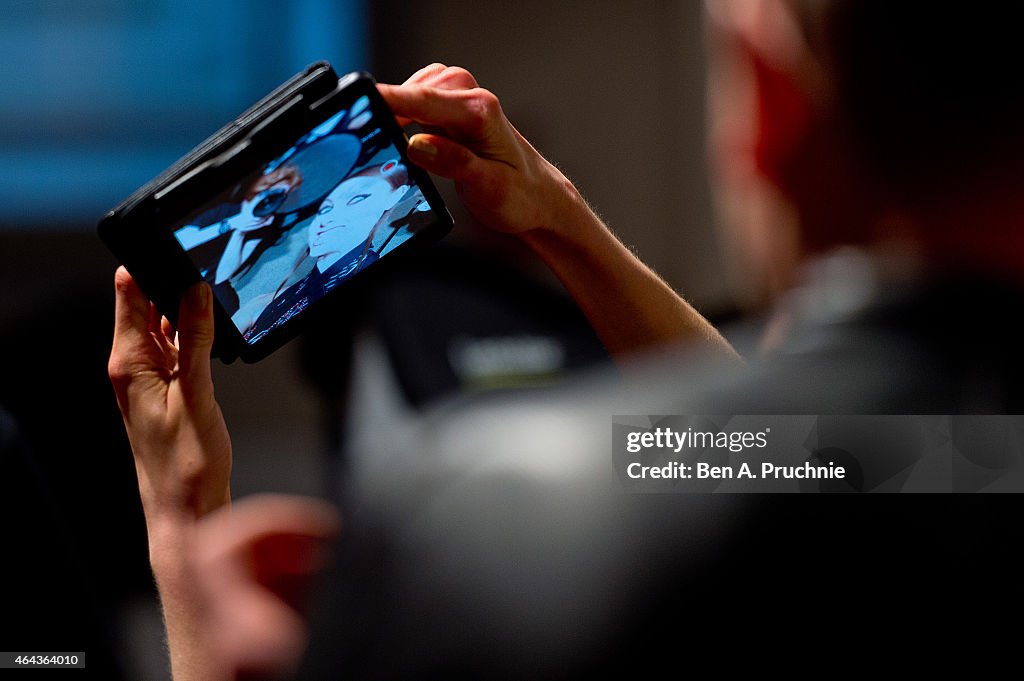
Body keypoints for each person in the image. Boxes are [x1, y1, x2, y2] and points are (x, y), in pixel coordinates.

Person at [108, 1, 1024, 678]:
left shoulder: (481, 520)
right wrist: (561, 220)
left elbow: (762, 462)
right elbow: (786, 455)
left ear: (771, 105)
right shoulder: (973, 454)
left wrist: (184, 531)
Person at [240, 161, 419, 342]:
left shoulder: (375, 287)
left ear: (396, 196)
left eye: (356, 199)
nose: (327, 218)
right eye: (326, 209)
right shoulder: (263, 301)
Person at [174, 164, 304, 317]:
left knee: (228, 307)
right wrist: (232, 223)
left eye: (284, 197)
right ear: (264, 187)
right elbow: (182, 241)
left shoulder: (264, 228)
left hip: (210, 281)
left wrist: (240, 233)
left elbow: (222, 276)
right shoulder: (225, 209)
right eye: (275, 193)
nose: (275, 201)